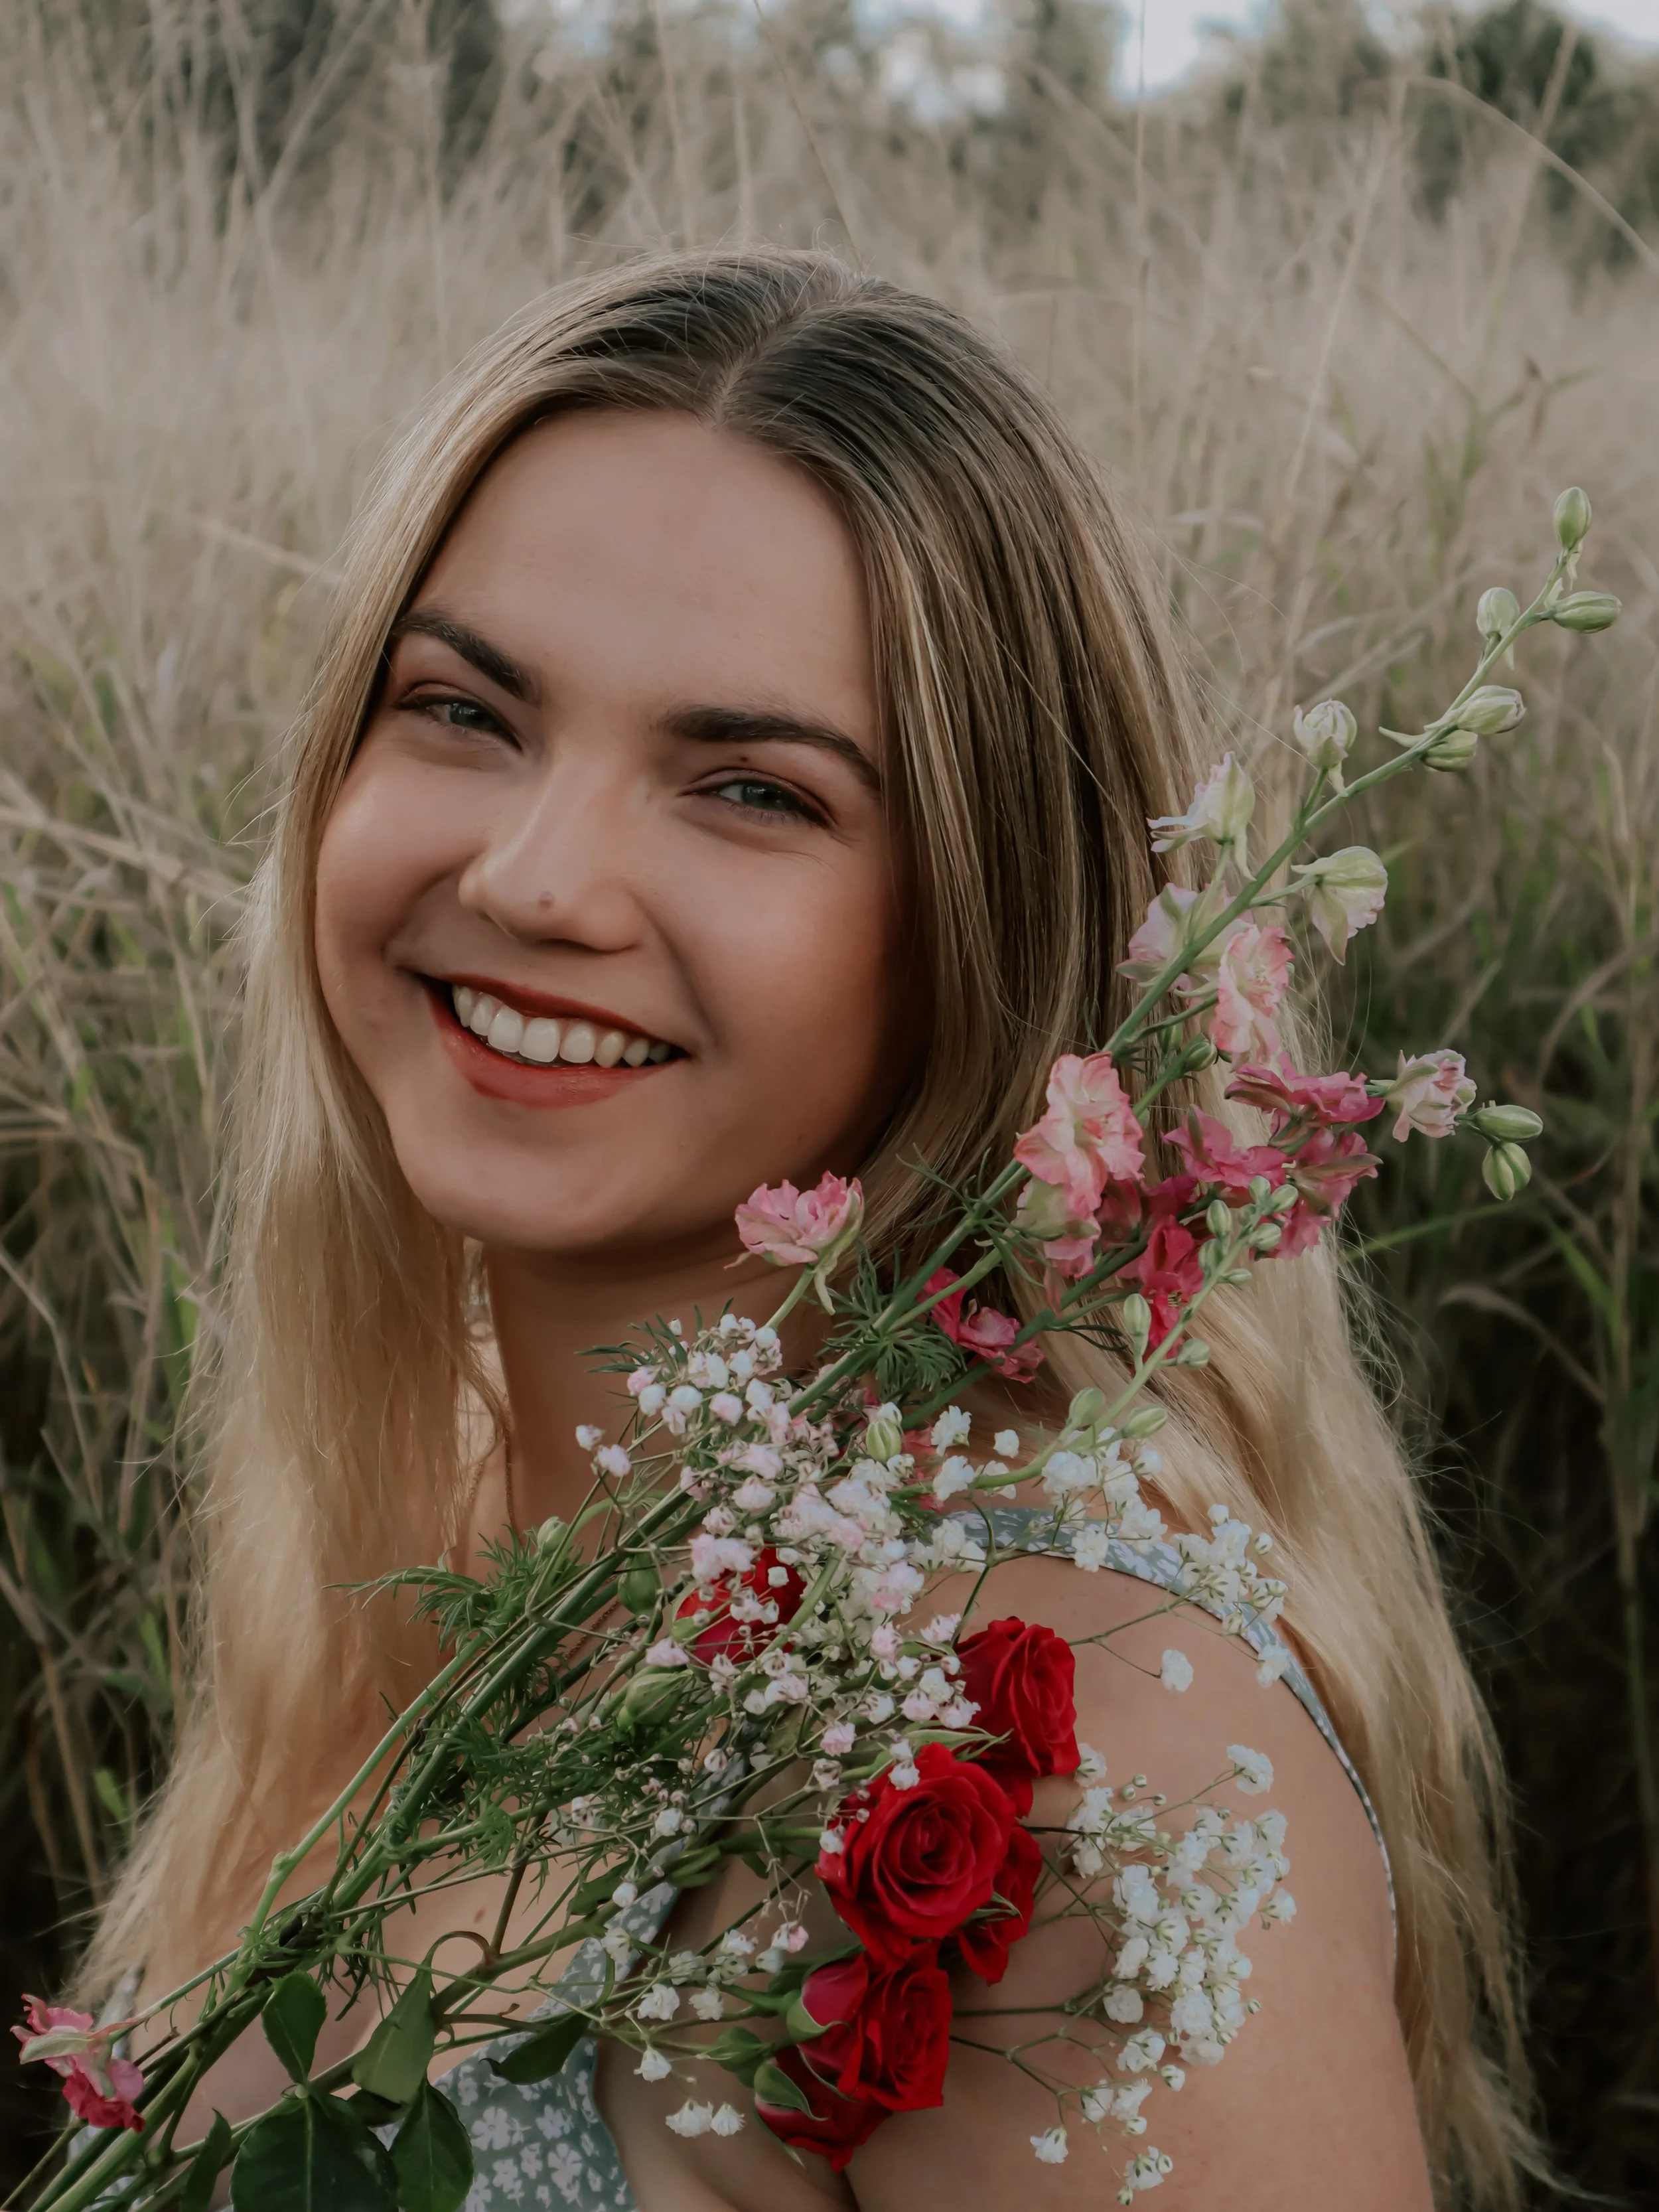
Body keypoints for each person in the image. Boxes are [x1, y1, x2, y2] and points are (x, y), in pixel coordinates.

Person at [80, 250, 1530, 2209]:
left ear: (979, 925)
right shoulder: (437, 1527)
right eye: (462, 710)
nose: (532, 876)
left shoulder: (1080, 1761)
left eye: (749, 786)